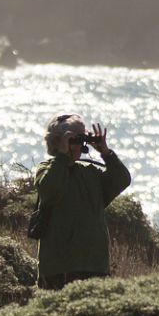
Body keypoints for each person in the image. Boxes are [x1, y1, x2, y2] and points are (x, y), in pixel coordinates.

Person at [34, 114, 132, 289]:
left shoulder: (90, 173)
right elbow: (49, 188)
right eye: (76, 139)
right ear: (58, 142)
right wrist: (63, 156)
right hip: (59, 269)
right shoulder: (46, 169)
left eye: (82, 139)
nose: (81, 144)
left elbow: (122, 180)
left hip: (95, 266)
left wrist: (106, 153)